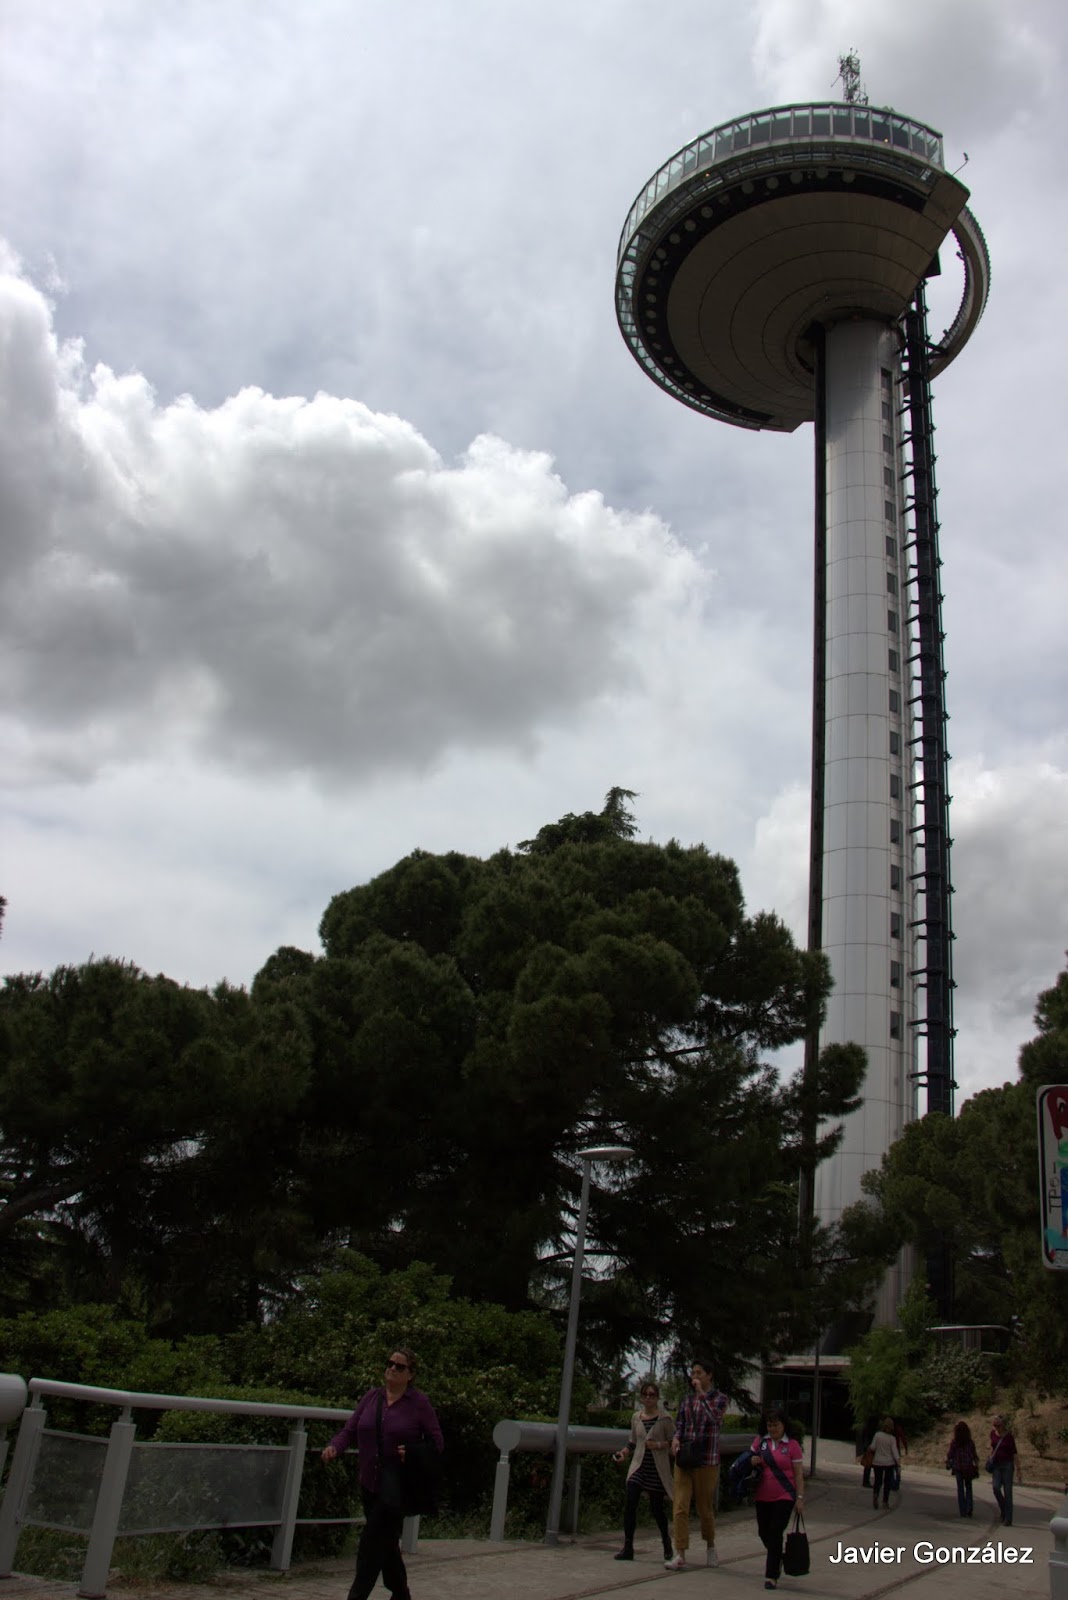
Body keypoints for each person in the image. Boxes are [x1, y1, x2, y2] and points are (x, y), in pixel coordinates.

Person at [322, 1347, 443, 1600]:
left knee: (371, 1543)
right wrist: (335, 1446)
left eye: (400, 1366)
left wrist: (411, 1451)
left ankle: (356, 1596)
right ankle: (401, 1594)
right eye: (390, 1363)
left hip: (396, 1486)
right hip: (369, 1483)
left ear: (410, 1374)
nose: (392, 1368)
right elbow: (350, 1430)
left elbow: (437, 1442)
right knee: (386, 1544)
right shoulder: (372, 1398)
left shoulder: (418, 1403)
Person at [665, 1357, 729, 1571]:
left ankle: (710, 1546)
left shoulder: (720, 1398)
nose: (695, 1377)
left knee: (704, 1508)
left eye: (699, 1373)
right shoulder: (686, 1400)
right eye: (693, 1373)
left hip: (706, 1461)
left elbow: (715, 1419)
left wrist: (702, 1393)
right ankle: (680, 1552)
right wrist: (675, 1439)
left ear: (709, 1375)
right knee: (680, 1506)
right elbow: (680, 1424)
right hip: (684, 1459)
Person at [611, 1379, 675, 1562]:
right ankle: (628, 1546)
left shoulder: (665, 1419)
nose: (648, 1398)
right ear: (641, 1397)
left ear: (657, 1398)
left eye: (652, 1395)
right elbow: (632, 1441)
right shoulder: (636, 1417)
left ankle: (666, 1542)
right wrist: (624, 1453)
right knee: (631, 1501)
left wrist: (659, 1444)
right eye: (645, 1395)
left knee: (657, 1508)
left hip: (656, 1468)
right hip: (639, 1465)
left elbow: (674, 1442)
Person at [750, 1408, 805, 1591]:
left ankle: (771, 1575)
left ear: (784, 1425)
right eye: (769, 1425)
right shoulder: (760, 1442)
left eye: (776, 1425)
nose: (772, 1428)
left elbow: (798, 1475)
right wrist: (752, 1461)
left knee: (775, 1532)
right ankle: (778, 1557)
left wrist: (799, 1498)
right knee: (764, 1533)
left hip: (785, 1495)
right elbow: (748, 1460)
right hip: (762, 1495)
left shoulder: (792, 1446)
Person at [989, 1414, 1022, 1527]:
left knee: (1008, 1492)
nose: (996, 1427)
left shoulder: (1009, 1437)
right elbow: (993, 1447)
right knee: (996, 1488)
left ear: (1003, 1425)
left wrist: (1018, 1469)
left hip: (1007, 1465)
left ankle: (1008, 1518)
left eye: (997, 1425)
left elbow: (1014, 1453)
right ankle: (1004, 1509)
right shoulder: (992, 1434)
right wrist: (990, 1459)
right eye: (994, 1425)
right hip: (997, 1465)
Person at [945, 1420, 979, 1517]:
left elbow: (950, 1454)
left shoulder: (955, 1442)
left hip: (958, 1468)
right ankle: (969, 1507)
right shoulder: (970, 1442)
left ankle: (962, 1510)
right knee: (968, 1487)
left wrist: (949, 1462)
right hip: (968, 1468)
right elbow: (974, 1455)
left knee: (960, 1489)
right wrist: (976, 1465)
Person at [869, 1416, 900, 1509]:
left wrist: (869, 1448)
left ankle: (875, 1494)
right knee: (887, 1483)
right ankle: (885, 1502)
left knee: (878, 1481)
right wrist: (898, 1464)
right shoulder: (892, 1439)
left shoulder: (877, 1435)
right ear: (892, 1427)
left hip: (877, 1461)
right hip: (889, 1463)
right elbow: (895, 1452)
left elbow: (873, 1447)